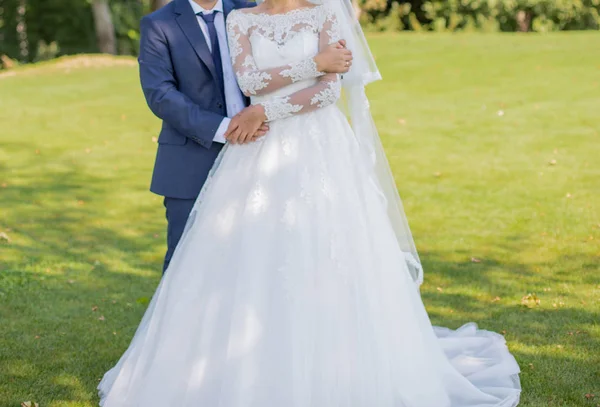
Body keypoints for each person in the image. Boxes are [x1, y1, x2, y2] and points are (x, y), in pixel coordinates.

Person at [98, 0, 522, 405]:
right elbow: (243, 83)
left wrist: (268, 110)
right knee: (226, 261)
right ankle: (205, 365)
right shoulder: (232, 19)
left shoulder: (320, 15)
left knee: (326, 250)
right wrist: (310, 67)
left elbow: (327, 92)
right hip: (246, 153)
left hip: (317, 149)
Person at [138, 0, 352, 273]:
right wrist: (226, 129)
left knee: (263, 255)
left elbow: (324, 75)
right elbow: (161, 95)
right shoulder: (160, 24)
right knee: (186, 262)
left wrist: (329, 63)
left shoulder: (251, 9)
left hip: (267, 150)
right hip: (193, 155)